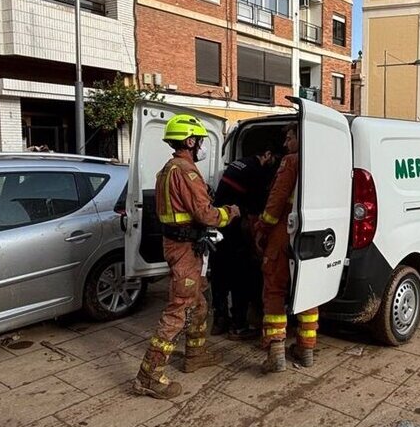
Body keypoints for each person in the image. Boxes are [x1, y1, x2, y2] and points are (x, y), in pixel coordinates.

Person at [133, 114, 240, 399]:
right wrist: (230, 212)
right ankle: (149, 375)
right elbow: (206, 214)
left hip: (181, 246)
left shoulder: (167, 170)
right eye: (201, 141)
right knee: (177, 311)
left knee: (199, 303)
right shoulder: (187, 172)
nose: (203, 146)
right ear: (190, 142)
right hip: (184, 251)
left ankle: (195, 354)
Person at [255, 123, 318, 371]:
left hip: (285, 232)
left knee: (274, 289)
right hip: (315, 234)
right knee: (309, 291)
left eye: (290, 137)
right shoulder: (326, 160)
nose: (285, 143)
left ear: (300, 137)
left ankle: (276, 351)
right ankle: (306, 349)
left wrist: (262, 227)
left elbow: (276, 201)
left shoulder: (291, 161)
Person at [209, 144, 280, 338]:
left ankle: (219, 319)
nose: (274, 164)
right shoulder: (257, 171)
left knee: (219, 275)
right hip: (235, 229)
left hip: (218, 227)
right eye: (273, 159)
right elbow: (257, 211)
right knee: (240, 277)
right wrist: (259, 236)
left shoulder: (237, 164)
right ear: (267, 153)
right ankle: (239, 326)